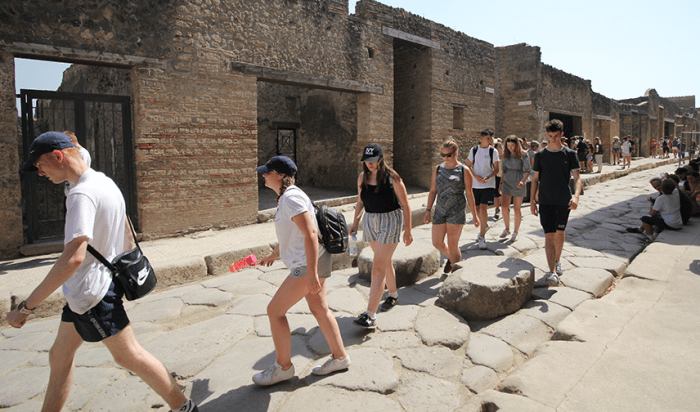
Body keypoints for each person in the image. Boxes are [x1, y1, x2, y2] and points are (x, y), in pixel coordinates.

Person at [7, 132, 199, 412]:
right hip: (87, 290)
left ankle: (184, 407)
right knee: (59, 357)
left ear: (57, 156)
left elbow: (73, 258)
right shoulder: (102, 182)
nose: (40, 172)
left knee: (129, 355)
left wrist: (27, 307)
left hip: (92, 295)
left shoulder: (81, 194)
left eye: (40, 165)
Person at [253, 155, 350, 385]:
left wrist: (313, 273)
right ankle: (340, 357)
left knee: (275, 311)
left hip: (307, 265)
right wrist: (275, 253)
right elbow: (295, 232)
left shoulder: (290, 198)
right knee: (319, 309)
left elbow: (310, 234)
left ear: (280, 176)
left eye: (268, 171)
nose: (264, 175)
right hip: (313, 261)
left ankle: (283, 367)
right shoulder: (288, 197)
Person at [350, 143, 413, 328]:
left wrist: (408, 230)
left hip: (390, 221)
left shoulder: (393, 178)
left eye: (373, 159)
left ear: (380, 158)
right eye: (366, 160)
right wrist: (355, 222)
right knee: (384, 262)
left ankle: (370, 314)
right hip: (370, 221)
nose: (370, 163)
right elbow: (360, 201)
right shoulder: (362, 177)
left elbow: (406, 204)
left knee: (377, 266)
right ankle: (393, 296)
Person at [530, 120, 582, 286]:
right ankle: (552, 272)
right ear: (547, 135)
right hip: (545, 201)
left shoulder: (570, 154)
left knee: (560, 232)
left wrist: (576, 197)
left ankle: (557, 260)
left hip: (563, 200)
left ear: (561, 135)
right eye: (550, 136)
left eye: (556, 136)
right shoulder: (540, 155)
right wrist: (532, 200)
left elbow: (578, 178)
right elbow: (535, 179)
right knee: (548, 234)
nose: (553, 139)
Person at [424, 139, 479, 275]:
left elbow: (470, 194)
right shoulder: (438, 169)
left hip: (457, 210)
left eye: (448, 155)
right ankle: (452, 258)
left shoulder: (464, 170)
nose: (446, 158)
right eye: (443, 155)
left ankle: (456, 274)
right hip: (440, 210)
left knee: (453, 244)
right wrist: (428, 210)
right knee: (436, 242)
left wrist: (475, 214)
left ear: (456, 153)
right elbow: (432, 191)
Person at [466, 129, 500, 250]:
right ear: (482, 138)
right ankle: (483, 227)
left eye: (491, 138)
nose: (490, 141)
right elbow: (468, 167)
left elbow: (496, 169)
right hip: (475, 185)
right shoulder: (474, 150)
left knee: (484, 208)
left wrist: (487, 177)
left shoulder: (493, 151)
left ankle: (482, 237)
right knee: (477, 209)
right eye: (488, 138)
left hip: (488, 184)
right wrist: (475, 177)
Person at [498, 135, 531, 242]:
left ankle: (515, 232)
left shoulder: (523, 155)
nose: (510, 148)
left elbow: (528, 170)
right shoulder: (505, 155)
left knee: (517, 208)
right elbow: (503, 170)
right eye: (508, 145)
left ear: (517, 145)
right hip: (507, 182)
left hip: (519, 182)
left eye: (512, 145)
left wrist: (523, 180)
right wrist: (500, 184)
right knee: (504, 206)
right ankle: (507, 229)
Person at [62, 131, 92, 195]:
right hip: (70, 192)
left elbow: (80, 174)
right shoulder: (74, 153)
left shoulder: (82, 153)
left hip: (76, 192)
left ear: (72, 141)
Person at [493, 138, 503, 220]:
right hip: (496, 177)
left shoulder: (506, 157)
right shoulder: (493, 157)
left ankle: (505, 208)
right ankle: (497, 209)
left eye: (501, 146)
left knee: (504, 194)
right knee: (496, 194)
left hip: (504, 177)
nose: (500, 147)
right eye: (498, 146)